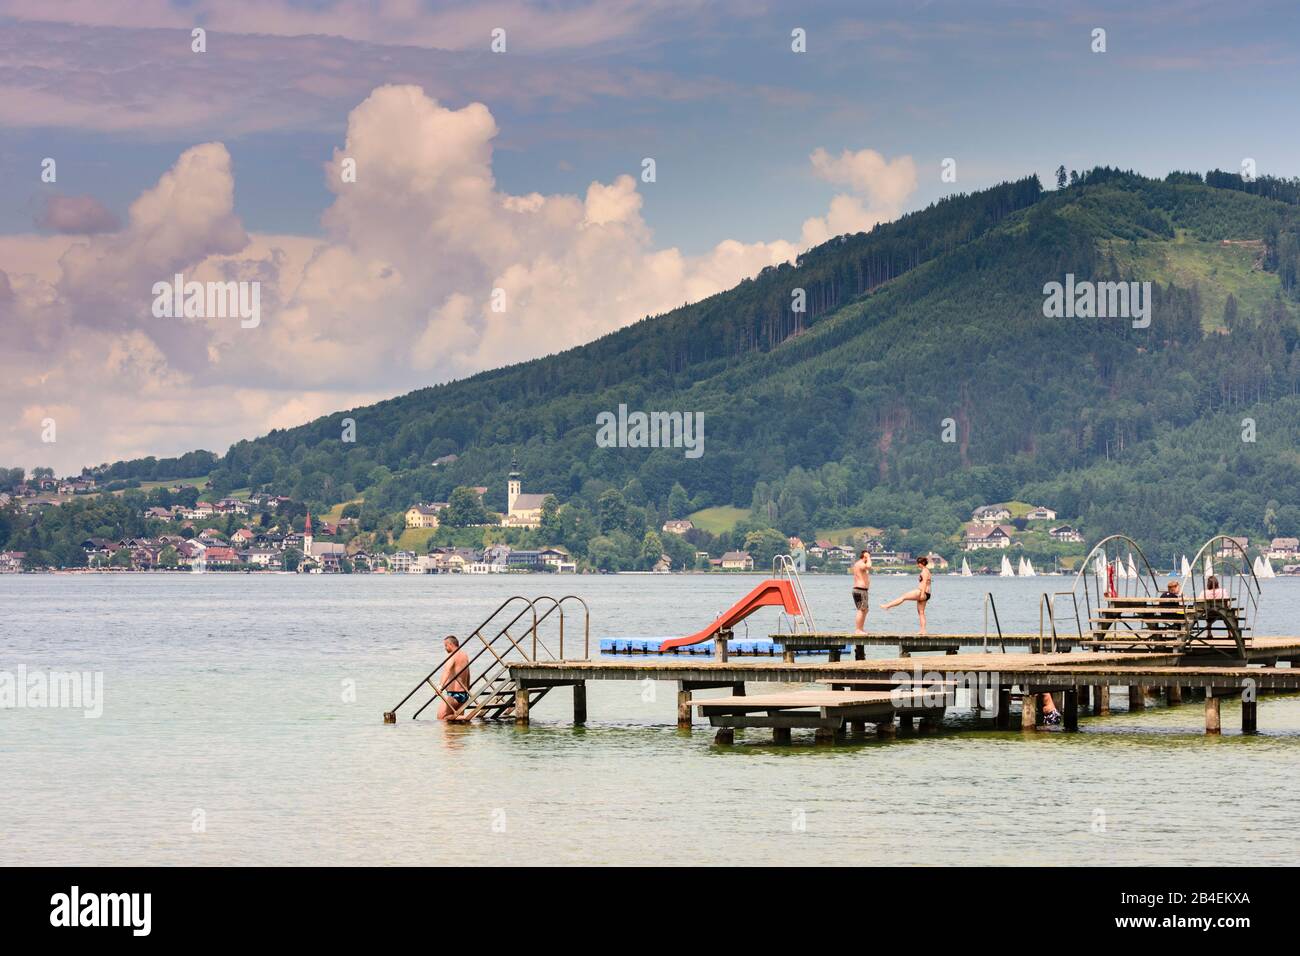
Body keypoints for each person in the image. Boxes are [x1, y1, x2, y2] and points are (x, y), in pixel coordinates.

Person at [880, 556, 932, 635]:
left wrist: (921, 594)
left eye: (919, 563)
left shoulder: (924, 571)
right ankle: (923, 630)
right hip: (926, 593)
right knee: (921, 612)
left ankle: (887, 606)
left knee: (903, 597)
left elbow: (924, 582)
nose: (918, 565)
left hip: (922, 592)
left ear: (922, 563)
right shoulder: (927, 571)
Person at [435, 634, 471, 719]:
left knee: (441, 717)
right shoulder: (464, 655)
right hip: (464, 694)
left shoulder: (452, 656)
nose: (445, 648)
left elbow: (446, 671)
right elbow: (468, 673)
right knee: (457, 723)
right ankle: (462, 723)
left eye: (446, 646)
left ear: (451, 645)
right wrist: (468, 687)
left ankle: (469, 718)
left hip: (454, 695)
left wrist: (440, 687)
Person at [851, 549, 873, 634]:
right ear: (865, 556)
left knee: (865, 610)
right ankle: (858, 629)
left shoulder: (860, 564)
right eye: (868, 557)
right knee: (861, 609)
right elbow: (869, 566)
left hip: (862, 590)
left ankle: (861, 628)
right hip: (860, 590)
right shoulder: (860, 564)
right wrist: (868, 557)